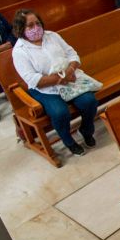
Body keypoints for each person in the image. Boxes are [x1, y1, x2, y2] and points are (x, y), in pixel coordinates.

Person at [11, 9, 98, 157]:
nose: (36, 28)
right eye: (30, 26)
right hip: (46, 89)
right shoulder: (19, 51)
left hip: (70, 78)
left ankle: (86, 130)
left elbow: (72, 54)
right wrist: (61, 78)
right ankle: (68, 141)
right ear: (21, 29)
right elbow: (33, 79)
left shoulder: (52, 36)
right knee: (60, 112)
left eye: (37, 23)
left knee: (89, 102)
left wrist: (70, 69)